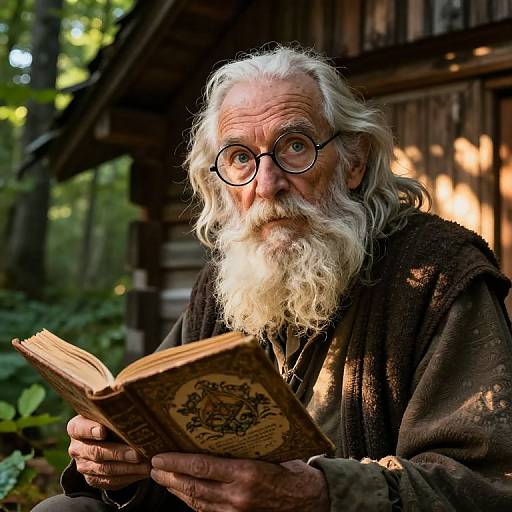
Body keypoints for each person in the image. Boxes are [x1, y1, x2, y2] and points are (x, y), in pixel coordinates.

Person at [33, 46, 512, 511]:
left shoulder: (437, 272)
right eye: (240, 158)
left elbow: (485, 483)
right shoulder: (225, 281)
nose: (267, 184)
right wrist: (116, 461)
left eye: (295, 147)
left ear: (354, 162)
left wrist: (321, 495)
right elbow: (161, 441)